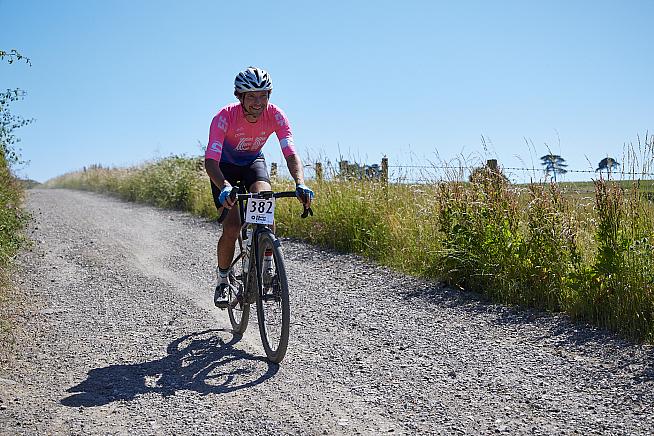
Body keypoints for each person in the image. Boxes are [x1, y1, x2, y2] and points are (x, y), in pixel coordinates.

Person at [205, 66, 314, 308]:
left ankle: (267, 264)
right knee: (232, 226)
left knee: (265, 200)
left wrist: (300, 182)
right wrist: (224, 186)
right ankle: (222, 280)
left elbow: (290, 152)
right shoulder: (224, 117)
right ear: (240, 97)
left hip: (253, 162)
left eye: (263, 95)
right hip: (223, 168)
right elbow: (210, 161)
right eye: (252, 96)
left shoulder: (276, 115)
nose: (258, 102)